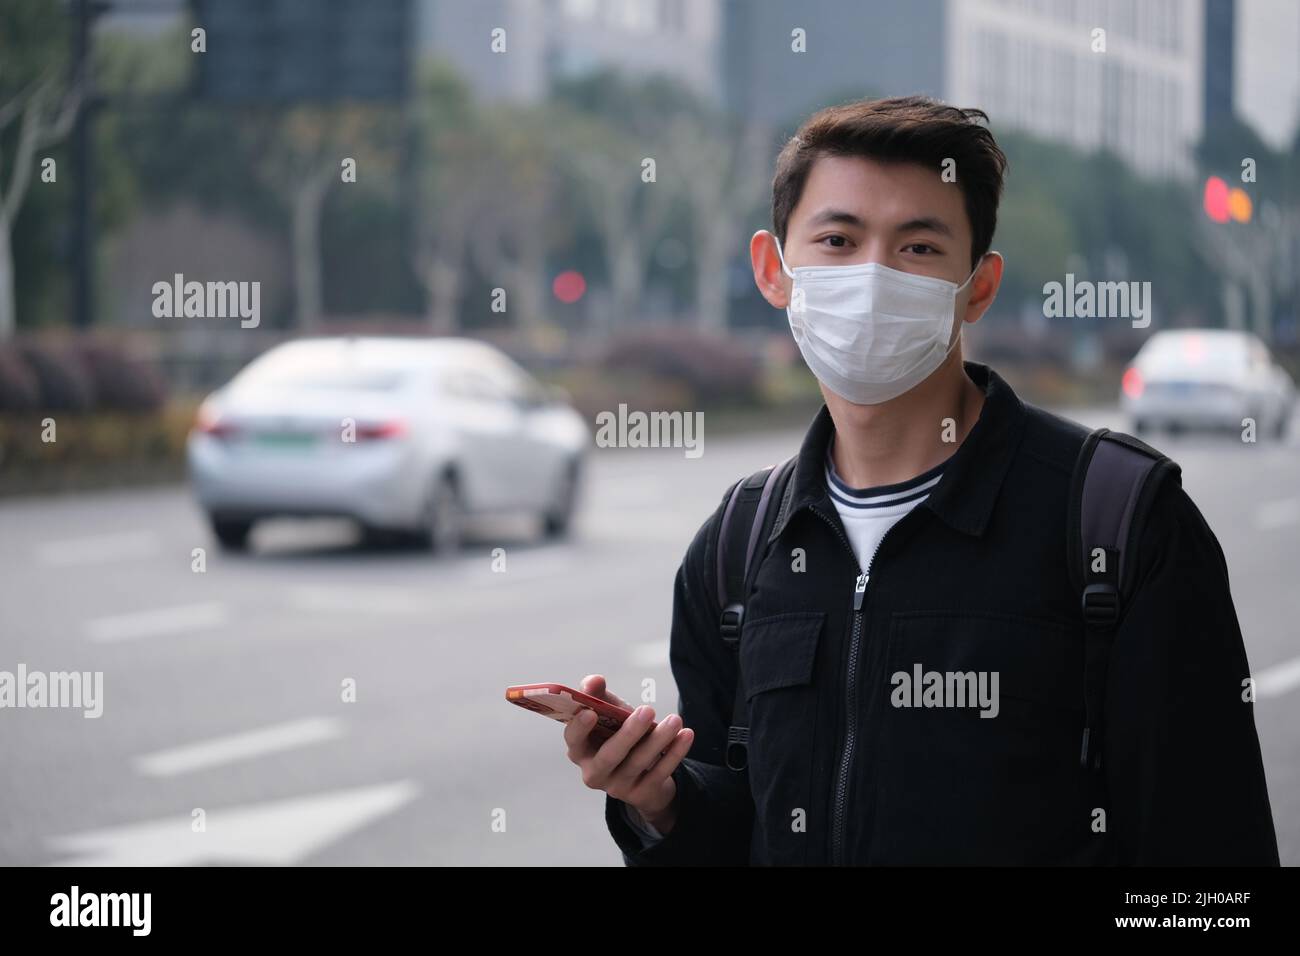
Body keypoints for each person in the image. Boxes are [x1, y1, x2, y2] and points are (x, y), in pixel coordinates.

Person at [560, 96, 1280, 865]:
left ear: (978, 286)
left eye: (918, 248)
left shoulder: (1119, 524)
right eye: (837, 240)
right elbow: (744, 831)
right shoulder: (739, 547)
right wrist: (661, 806)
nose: (871, 277)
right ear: (775, 271)